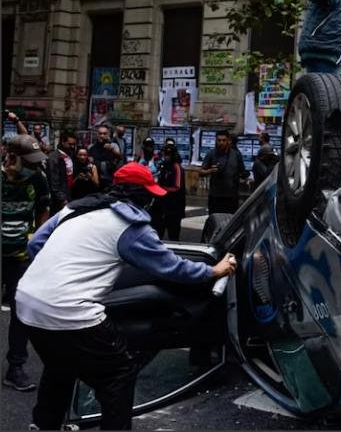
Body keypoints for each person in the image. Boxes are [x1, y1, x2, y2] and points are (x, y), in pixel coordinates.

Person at [15, 162, 237, 430]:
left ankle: (44, 425)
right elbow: (171, 267)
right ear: (141, 196)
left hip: (26, 303)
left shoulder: (75, 209)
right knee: (118, 374)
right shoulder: (131, 226)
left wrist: (58, 274)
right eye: (150, 196)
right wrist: (214, 270)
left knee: (60, 366)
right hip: (69, 312)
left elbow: (35, 243)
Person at [1, 135, 50, 392]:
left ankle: (15, 367)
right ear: (11, 157)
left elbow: (44, 209)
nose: (34, 166)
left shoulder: (37, 179)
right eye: (28, 161)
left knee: (21, 313)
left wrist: (38, 244)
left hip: (20, 257)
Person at [200, 130, 246, 215]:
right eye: (219, 140)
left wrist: (242, 178)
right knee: (214, 222)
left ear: (228, 141)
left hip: (231, 197)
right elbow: (201, 172)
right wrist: (210, 170)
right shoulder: (211, 154)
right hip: (215, 196)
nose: (221, 142)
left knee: (230, 223)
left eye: (224, 140)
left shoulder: (236, 155)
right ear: (216, 141)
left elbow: (242, 172)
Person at [154, 142, 185, 241]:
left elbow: (177, 187)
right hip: (162, 205)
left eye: (168, 155)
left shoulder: (177, 167)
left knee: (173, 235)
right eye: (165, 154)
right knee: (158, 233)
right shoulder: (163, 166)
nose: (166, 157)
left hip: (174, 207)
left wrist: (161, 189)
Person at [47, 130, 76, 215]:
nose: (72, 147)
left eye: (74, 144)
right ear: (63, 142)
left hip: (69, 195)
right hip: (60, 200)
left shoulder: (70, 155)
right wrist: (62, 198)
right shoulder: (54, 158)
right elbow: (54, 181)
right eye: (70, 144)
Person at [88, 124, 119, 190]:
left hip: (109, 178)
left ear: (108, 134)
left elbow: (120, 158)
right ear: (97, 134)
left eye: (104, 134)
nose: (102, 136)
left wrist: (112, 150)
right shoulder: (91, 147)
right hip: (96, 179)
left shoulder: (113, 146)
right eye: (100, 133)